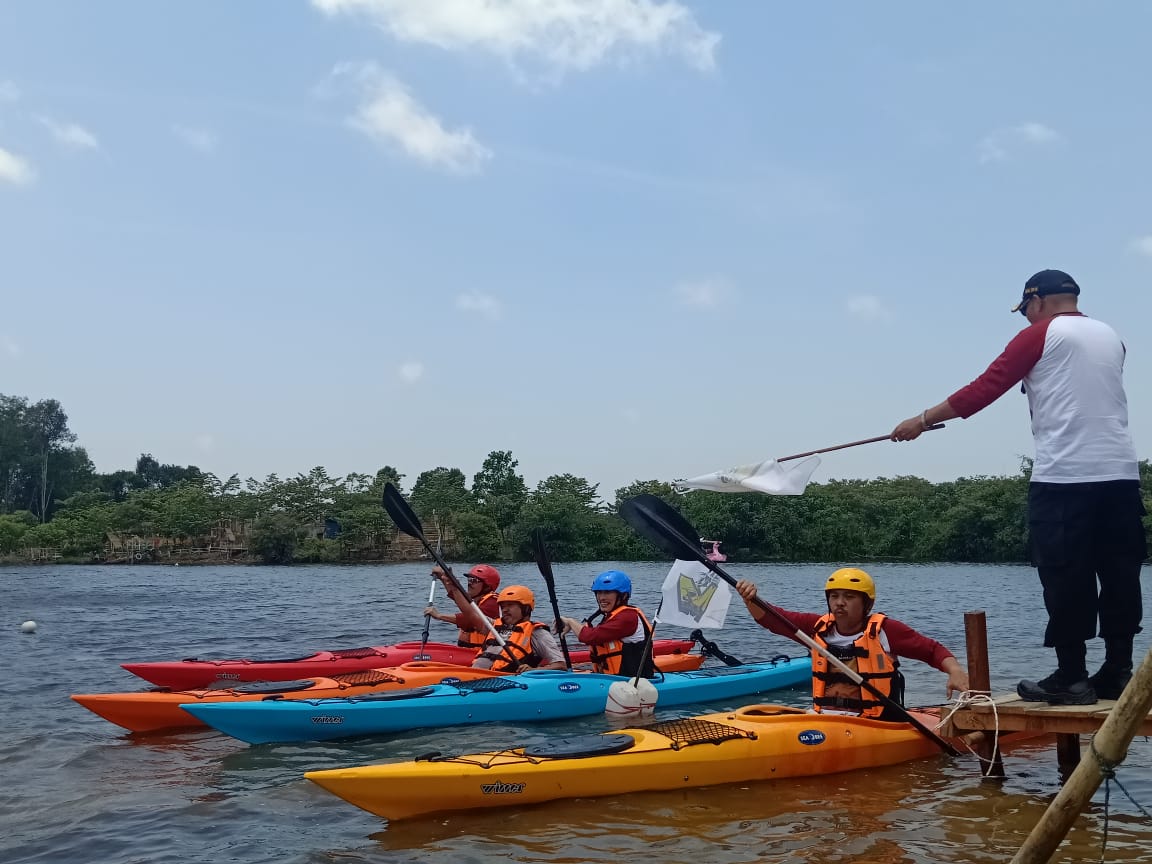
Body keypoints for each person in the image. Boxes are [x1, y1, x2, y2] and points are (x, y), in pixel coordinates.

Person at [890, 269, 1145, 705]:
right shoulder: (1111, 336)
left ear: (1038, 301)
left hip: (1065, 477)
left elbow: (986, 387)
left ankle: (1072, 677)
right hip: (1121, 476)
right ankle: (1119, 670)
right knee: (1120, 573)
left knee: (1065, 574)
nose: (1025, 318)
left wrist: (923, 419)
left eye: (1025, 309)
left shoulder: (1042, 334)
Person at [735, 568, 969, 719]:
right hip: (825, 717)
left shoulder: (886, 631)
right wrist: (750, 599)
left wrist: (955, 671)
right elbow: (772, 619)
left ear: (866, 603)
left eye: (849, 597)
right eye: (834, 596)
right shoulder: (816, 628)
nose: (840, 603)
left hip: (875, 723)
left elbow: (931, 650)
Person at [559, 570, 656, 678]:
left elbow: (590, 637)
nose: (602, 597)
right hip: (614, 679)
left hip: (633, 682)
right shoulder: (613, 615)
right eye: (599, 592)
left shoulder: (627, 618)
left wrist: (571, 622)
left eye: (607, 592)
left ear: (623, 596)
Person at [470, 585, 567, 673]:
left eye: (510, 605)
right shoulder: (495, 626)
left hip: (506, 682)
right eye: (503, 606)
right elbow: (470, 613)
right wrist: (455, 590)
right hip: (479, 675)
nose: (504, 610)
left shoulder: (538, 633)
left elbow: (560, 665)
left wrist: (533, 670)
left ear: (526, 609)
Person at [423, 564, 501, 651]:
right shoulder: (477, 599)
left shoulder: (492, 602)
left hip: (483, 654)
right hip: (468, 650)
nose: (469, 583)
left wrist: (439, 616)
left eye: (474, 580)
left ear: (487, 586)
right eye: (469, 579)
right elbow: (457, 597)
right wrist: (443, 577)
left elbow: (471, 620)